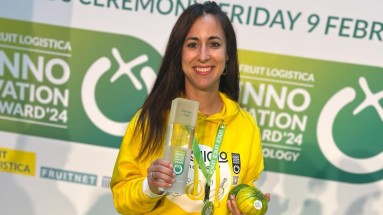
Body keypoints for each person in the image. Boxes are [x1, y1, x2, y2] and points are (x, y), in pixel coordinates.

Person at [110, 1, 269, 214]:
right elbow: (122, 198)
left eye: (214, 44)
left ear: (227, 54)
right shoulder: (152, 118)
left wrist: (246, 207)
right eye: (192, 44)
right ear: (180, 54)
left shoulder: (245, 126)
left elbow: (244, 189)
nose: (203, 56)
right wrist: (150, 186)